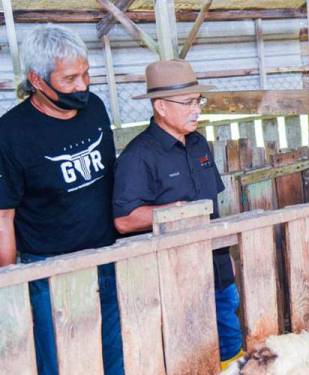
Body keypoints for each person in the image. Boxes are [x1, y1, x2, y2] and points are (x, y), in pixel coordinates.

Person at [0, 24, 124, 375]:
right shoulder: (9, 135)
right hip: (49, 270)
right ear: (37, 80)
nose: (82, 86)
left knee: (115, 351)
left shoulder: (95, 108)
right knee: (58, 359)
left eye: (86, 74)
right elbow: (3, 217)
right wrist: (11, 286)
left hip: (107, 255)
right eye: (69, 79)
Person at [112, 59, 243, 368]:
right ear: (161, 106)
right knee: (185, 352)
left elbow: (214, 207)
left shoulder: (199, 144)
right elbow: (124, 220)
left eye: (198, 100)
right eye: (187, 103)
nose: (196, 109)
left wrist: (228, 258)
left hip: (217, 269)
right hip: (171, 278)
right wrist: (169, 213)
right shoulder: (137, 156)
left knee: (229, 344)